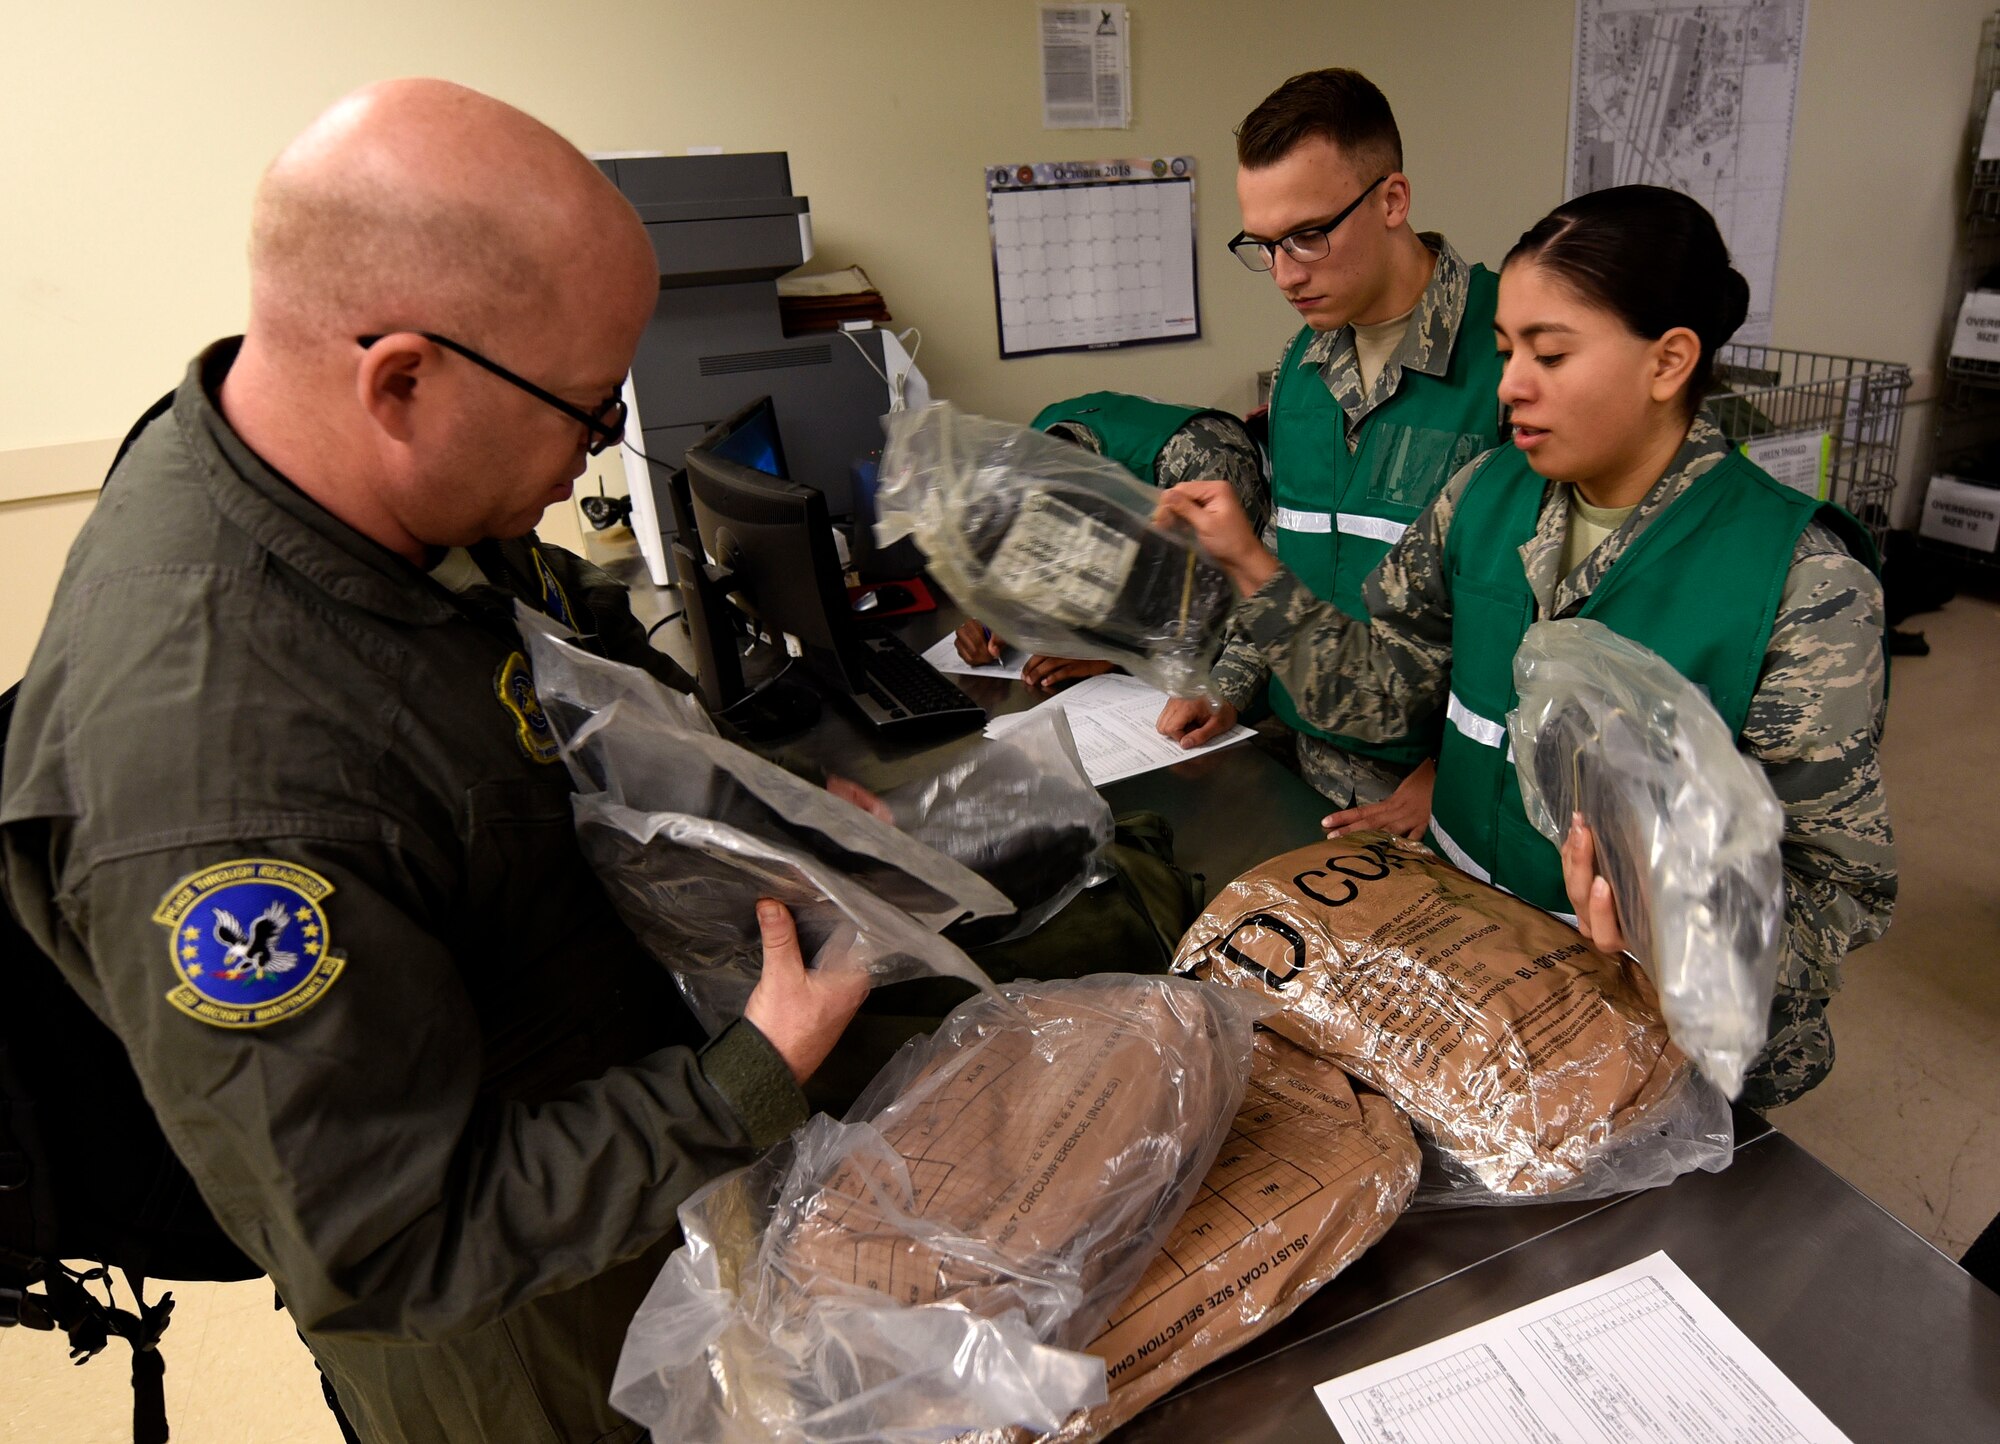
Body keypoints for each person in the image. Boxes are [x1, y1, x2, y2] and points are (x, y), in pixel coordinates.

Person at [0, 80, 869, 1444]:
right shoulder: (218, 789)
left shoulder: (312, 461)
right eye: (585, 414)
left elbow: (520, 655)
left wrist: (746, 796)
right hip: (525, 1345)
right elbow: (398, 1242)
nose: (595, 456)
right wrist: (746, 1076)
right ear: (401, 378)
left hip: (621, 1169)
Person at [1156, 184, 1894, 1110]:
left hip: (1653, 1040)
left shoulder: (1797, 580)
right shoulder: (1487, 497)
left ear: (1668, 362)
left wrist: (1679, 928)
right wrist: (1250, 567)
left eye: (1550, 353)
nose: (1508, 385)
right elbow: (1384, 696)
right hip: (1474, 975)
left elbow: (1836, 891)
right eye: (1506, 351)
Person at [1155, 69, 1508, 842]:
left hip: (1440, 805)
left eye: (1309, 235)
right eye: (1264, 244)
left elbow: (1550, 614)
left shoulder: (1512, 357)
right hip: (1301, 769)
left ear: (1391, 200)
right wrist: (1231, 686)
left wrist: (1454, 772)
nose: (1284, 274)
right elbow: (1289, 554)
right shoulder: (1300, 373)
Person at [951, 390, 1263, 690]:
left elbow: (1236, 608)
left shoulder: (1208, 462)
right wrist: (996, 618)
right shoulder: (1035, 453)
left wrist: (1117, 657)